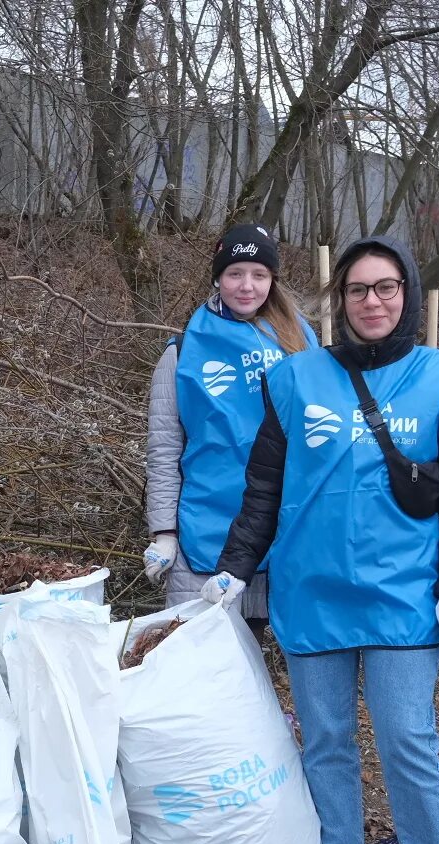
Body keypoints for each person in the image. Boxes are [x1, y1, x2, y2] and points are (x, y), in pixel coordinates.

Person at [204, 235, 439, 844]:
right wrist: (237, 565)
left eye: (386, 287)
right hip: (312, 590)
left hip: (402, 595)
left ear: (409, 295)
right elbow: (263, 485)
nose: (372, 301)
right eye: (359, 290)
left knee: (405, 737)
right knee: (326, 739)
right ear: (340, 300)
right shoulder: (296, 380)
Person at [143, 224, 317, 627]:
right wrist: (164, 532)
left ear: (273, 281)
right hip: (204, 531)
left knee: (254, 670)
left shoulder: (302, 344)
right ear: (217, 277)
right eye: (235, 273)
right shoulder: (184, 351)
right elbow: (165, 448)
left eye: (260, 274)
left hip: (281, 528)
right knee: (197, 663)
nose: (247, 286)